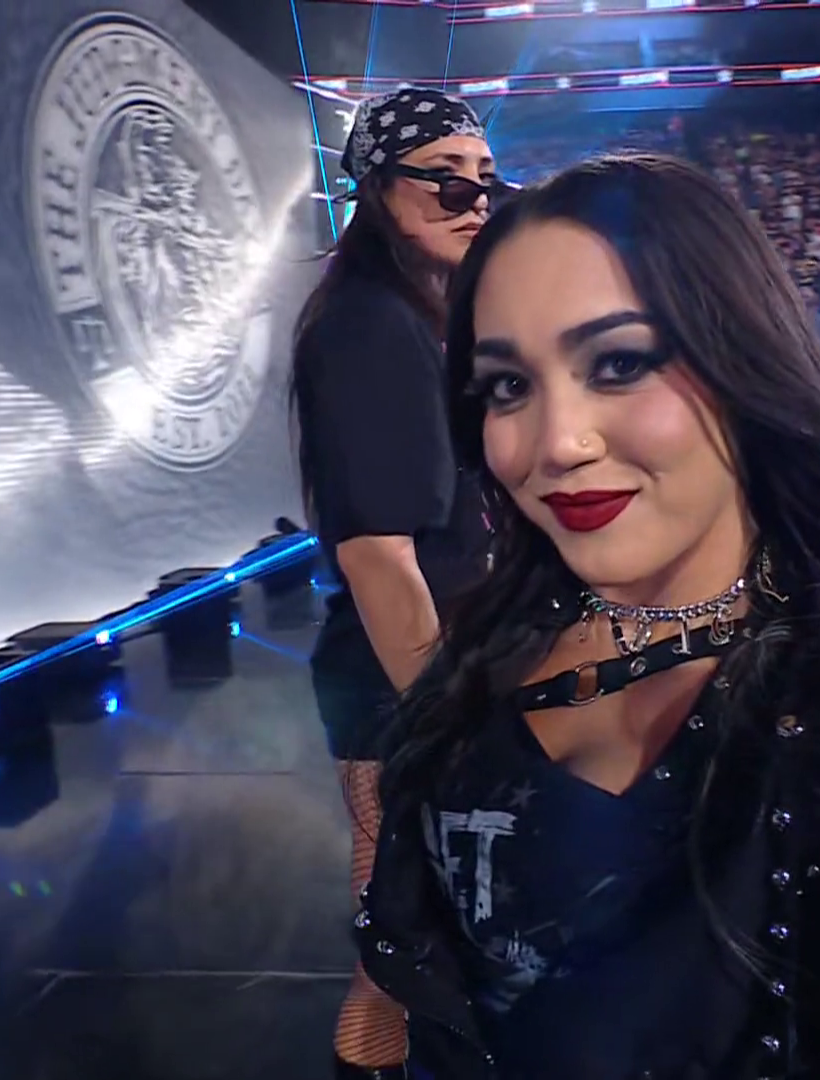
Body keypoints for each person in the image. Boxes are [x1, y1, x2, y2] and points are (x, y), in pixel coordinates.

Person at [354, 154, 820, 1079]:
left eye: (620, 364)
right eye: (508, 386)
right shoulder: (494, 642)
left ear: (744, 367)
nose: (557, 443)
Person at [290, 87, 500, 1080]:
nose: (474, 199)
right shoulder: (372, 324)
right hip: (400, 682)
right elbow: (379, 553)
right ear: (377, 187)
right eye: (445, 179)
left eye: (485, 181)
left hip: (426, 669)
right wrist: (442, 717)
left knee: (407, 934)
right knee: (404, 938)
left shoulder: (418, 316)